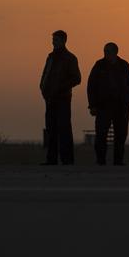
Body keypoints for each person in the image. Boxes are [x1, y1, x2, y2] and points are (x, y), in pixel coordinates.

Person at [39, 30, 81, 165]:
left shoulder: (70, 58)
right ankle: (51, 159)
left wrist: (60, 88)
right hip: (50, 99)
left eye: (56, 40)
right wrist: (43, 88)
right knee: (51, 129)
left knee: (64, 129)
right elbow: (46, 74)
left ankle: (67, 160)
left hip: (63, 99)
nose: (53, 42)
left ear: (63, 41)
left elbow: (77, 78)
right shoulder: (50, 57)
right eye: (53, 40)